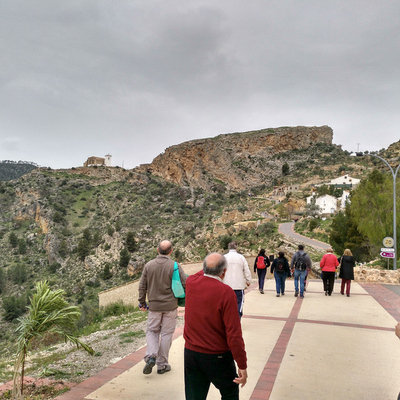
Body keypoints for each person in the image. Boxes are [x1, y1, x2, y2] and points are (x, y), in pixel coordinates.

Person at [184, 252, 248, 400]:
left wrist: (209, 266)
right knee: (230, 393)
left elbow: (201, 273)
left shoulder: (191, 282)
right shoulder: (226, 293)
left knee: (194, 396)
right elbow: (234, 334)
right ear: (224, 271)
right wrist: (242, 364)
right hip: (218, 356)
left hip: (191, 353)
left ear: (204, 268)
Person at [138, 240, 186, 375]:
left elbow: (142, 286)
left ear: (157, 250)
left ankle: (151, 355)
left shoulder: (149, 265)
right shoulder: (175, 266)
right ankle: (162, 365)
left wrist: (142, 302)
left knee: (152, 331)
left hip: (154, 306)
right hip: (170, 306)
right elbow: (185, 283)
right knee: (166, 334)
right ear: (171, 251)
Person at [223, 241, 252, 318]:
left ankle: (228, 321)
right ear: (236, 248)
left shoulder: (224, 258)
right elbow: (247, 270)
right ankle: (237, 320)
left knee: (226, 305)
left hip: (226, 286)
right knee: (239, 304)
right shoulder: (241, 257)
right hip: (239, 286)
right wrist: (248, 281)